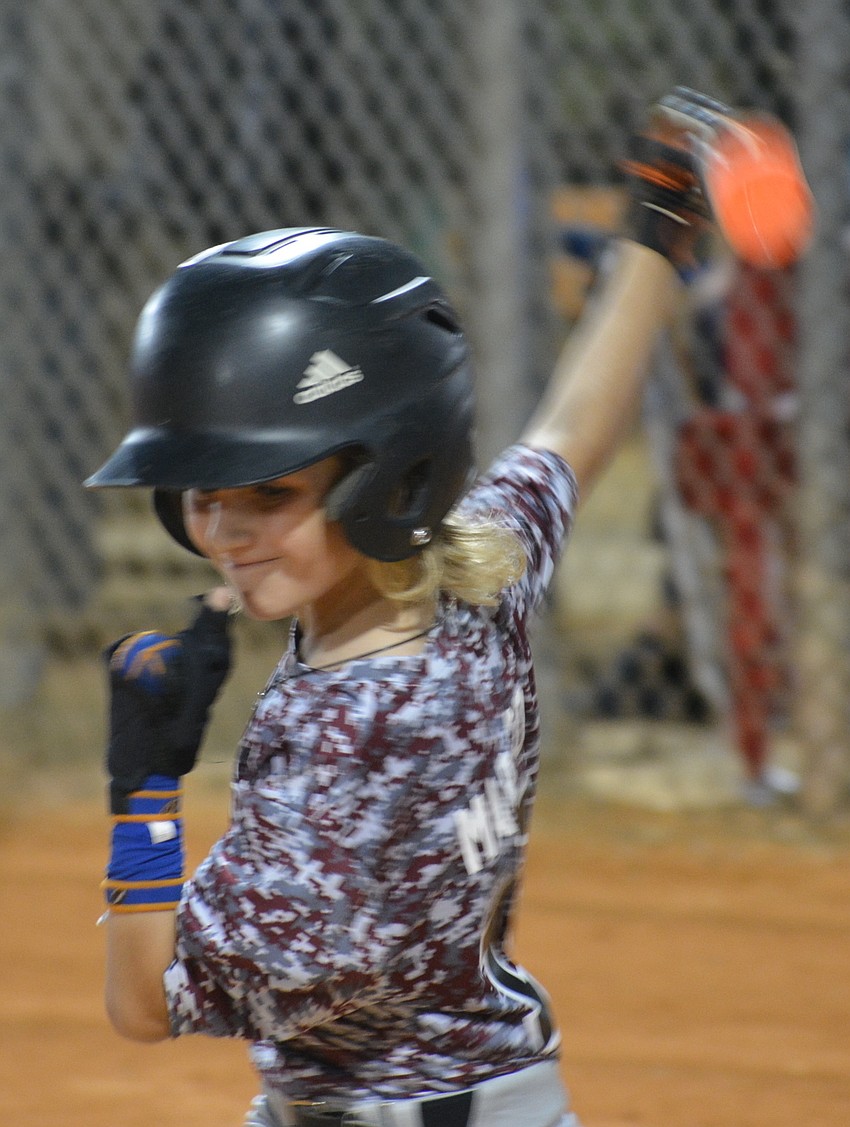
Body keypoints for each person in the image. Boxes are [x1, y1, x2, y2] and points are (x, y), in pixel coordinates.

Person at [85, 91, 718, 1127]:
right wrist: (653, 230)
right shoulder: (479, 568)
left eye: (269, 492)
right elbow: (571, 432)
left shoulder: (340, 742)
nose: (226, 530)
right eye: (204, 492)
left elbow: (143, 1001)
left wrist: (143, 795)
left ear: (385, 479)